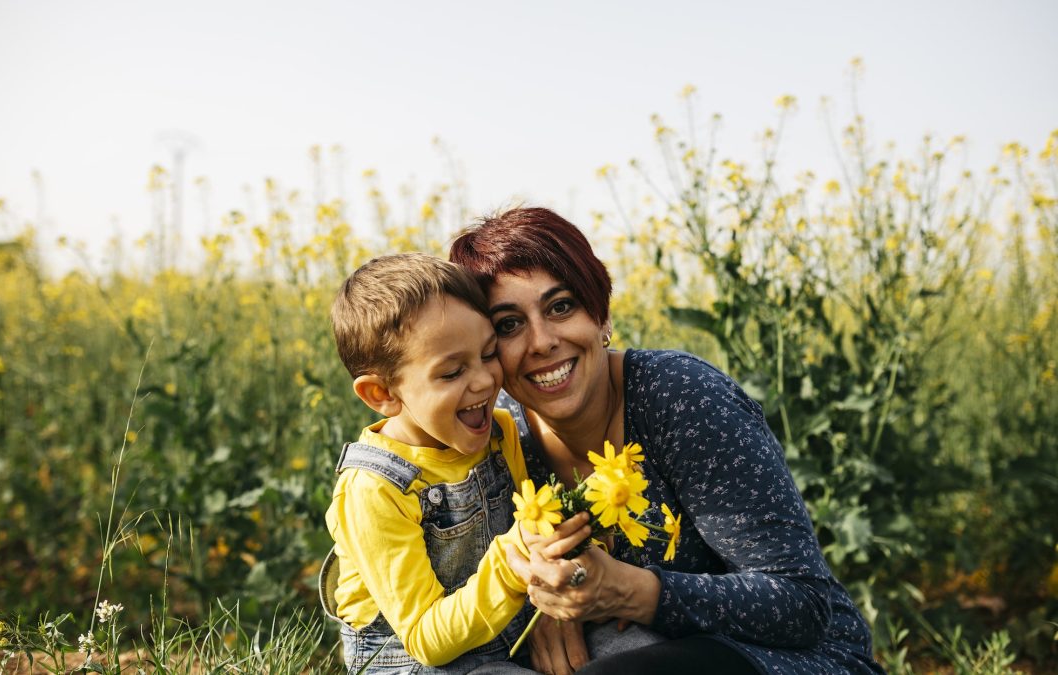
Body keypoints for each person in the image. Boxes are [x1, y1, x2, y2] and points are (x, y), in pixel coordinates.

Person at [450, 208, 885, 675]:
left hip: (789, 659)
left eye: (561, 307)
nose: (541, 342)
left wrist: (631, 590)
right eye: (509, 325)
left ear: (602, 314)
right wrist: (532, 606)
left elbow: (804, 605)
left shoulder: (679, 397)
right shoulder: (497, 436)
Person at [320, 253, 589, 673]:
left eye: (487, 354)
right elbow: (425, 640)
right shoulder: (375, 488)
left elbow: (534, 525)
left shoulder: (499, 434)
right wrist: (514, 563)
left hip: (505, 642)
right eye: (450, 373)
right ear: (381, 394)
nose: (484, 381)